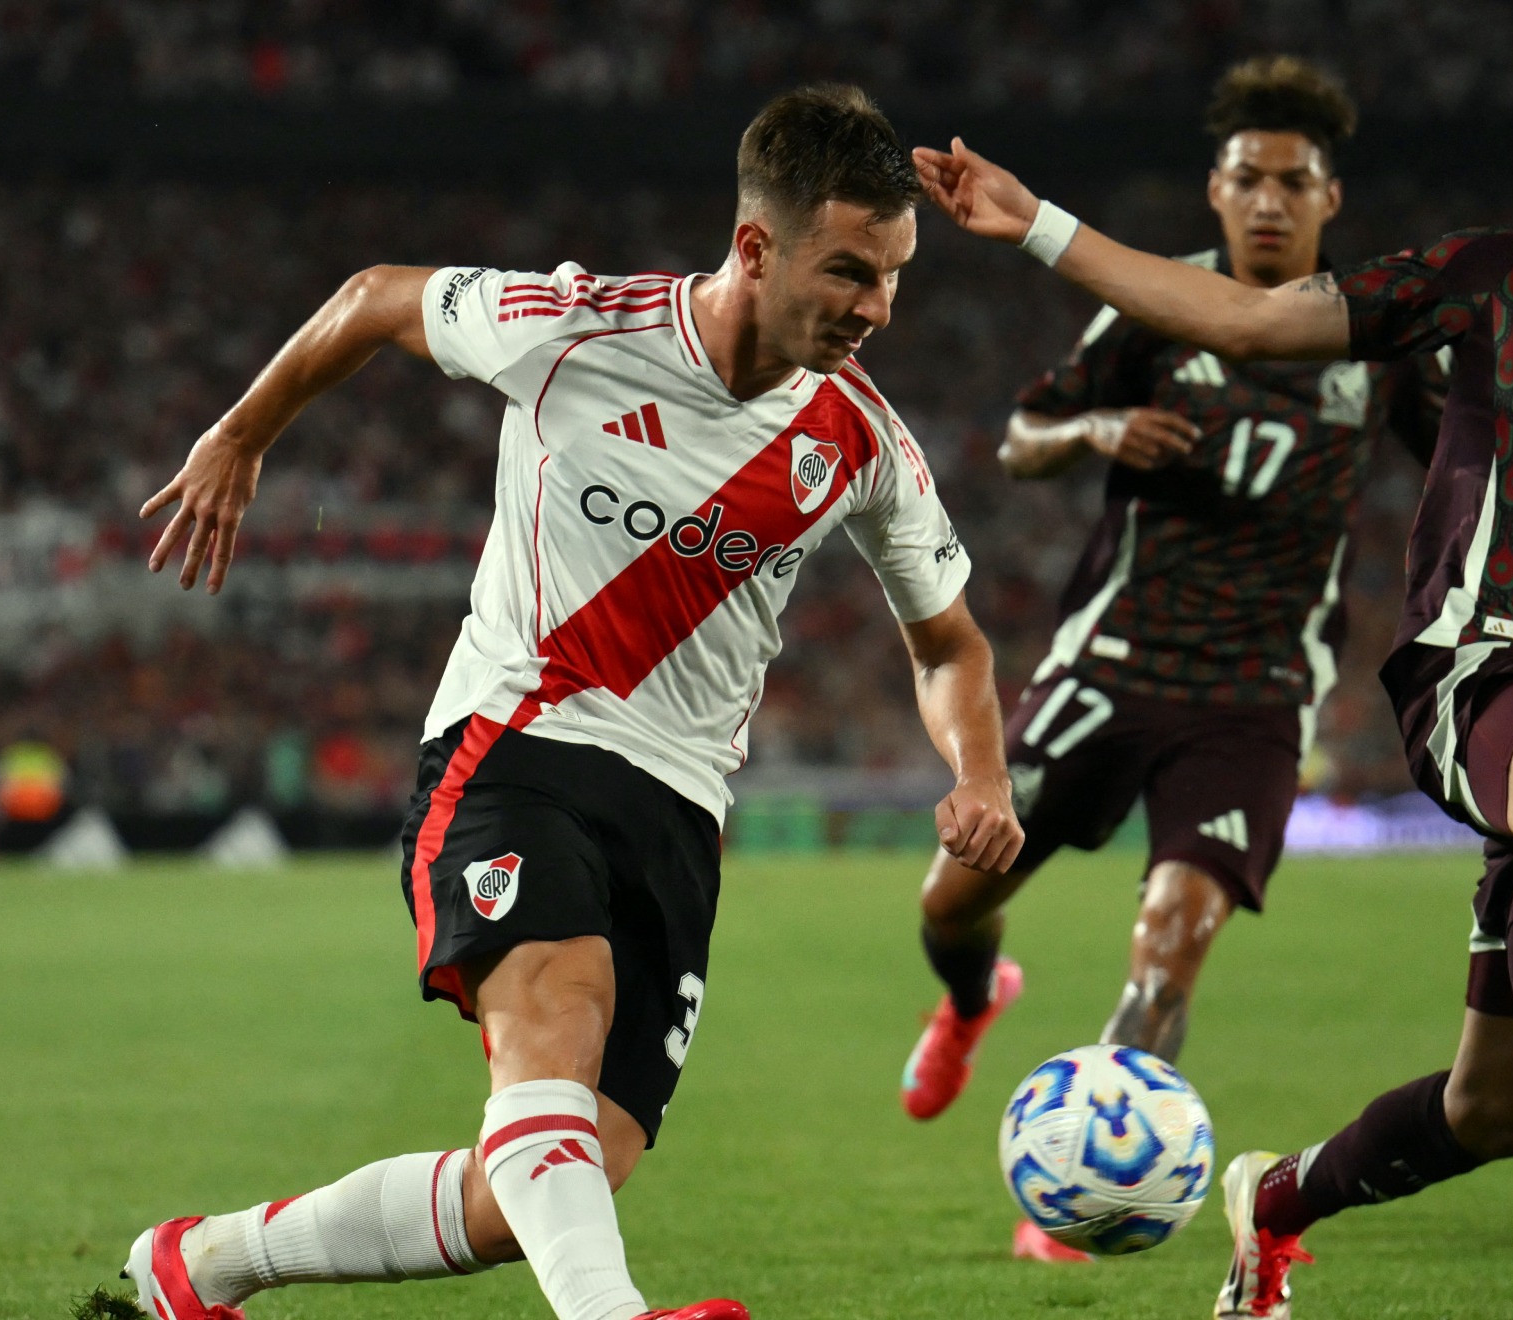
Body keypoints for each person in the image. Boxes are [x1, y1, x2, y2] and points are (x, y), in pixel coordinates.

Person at [915, 29, 1513, 1316]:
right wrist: (1038, 227)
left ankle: (1278, 1205)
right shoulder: (1504, 282)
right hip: (1482, 667)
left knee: (1485, 1111)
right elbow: (1243, 314)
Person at [111, 85, 1022, 1320]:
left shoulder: (861, 444)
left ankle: (206, 1265)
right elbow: (381, 294)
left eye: (896, 277)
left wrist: (980, 773)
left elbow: (949, 648)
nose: (878, 310)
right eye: (851, 273)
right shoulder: (574, 327)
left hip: (682, 810)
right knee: (558, 1007)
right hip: (516, 747)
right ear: (754, 247)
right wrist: (241, 434)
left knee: (552, 1178)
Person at [894, 55, 1444, 1264]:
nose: (1266, 201)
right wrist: (1096, 428)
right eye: (1246, 178)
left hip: (1252, 697)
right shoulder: (1151, 306)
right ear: (1214, 188)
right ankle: (974, 997)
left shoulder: (1376, 344)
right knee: (952, 898)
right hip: (1116, 664)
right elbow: (1021, 437)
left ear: (1329, 202)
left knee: (1175, 937)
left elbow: (1464, 466)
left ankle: (1091, 1196)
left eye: (1291, 183)